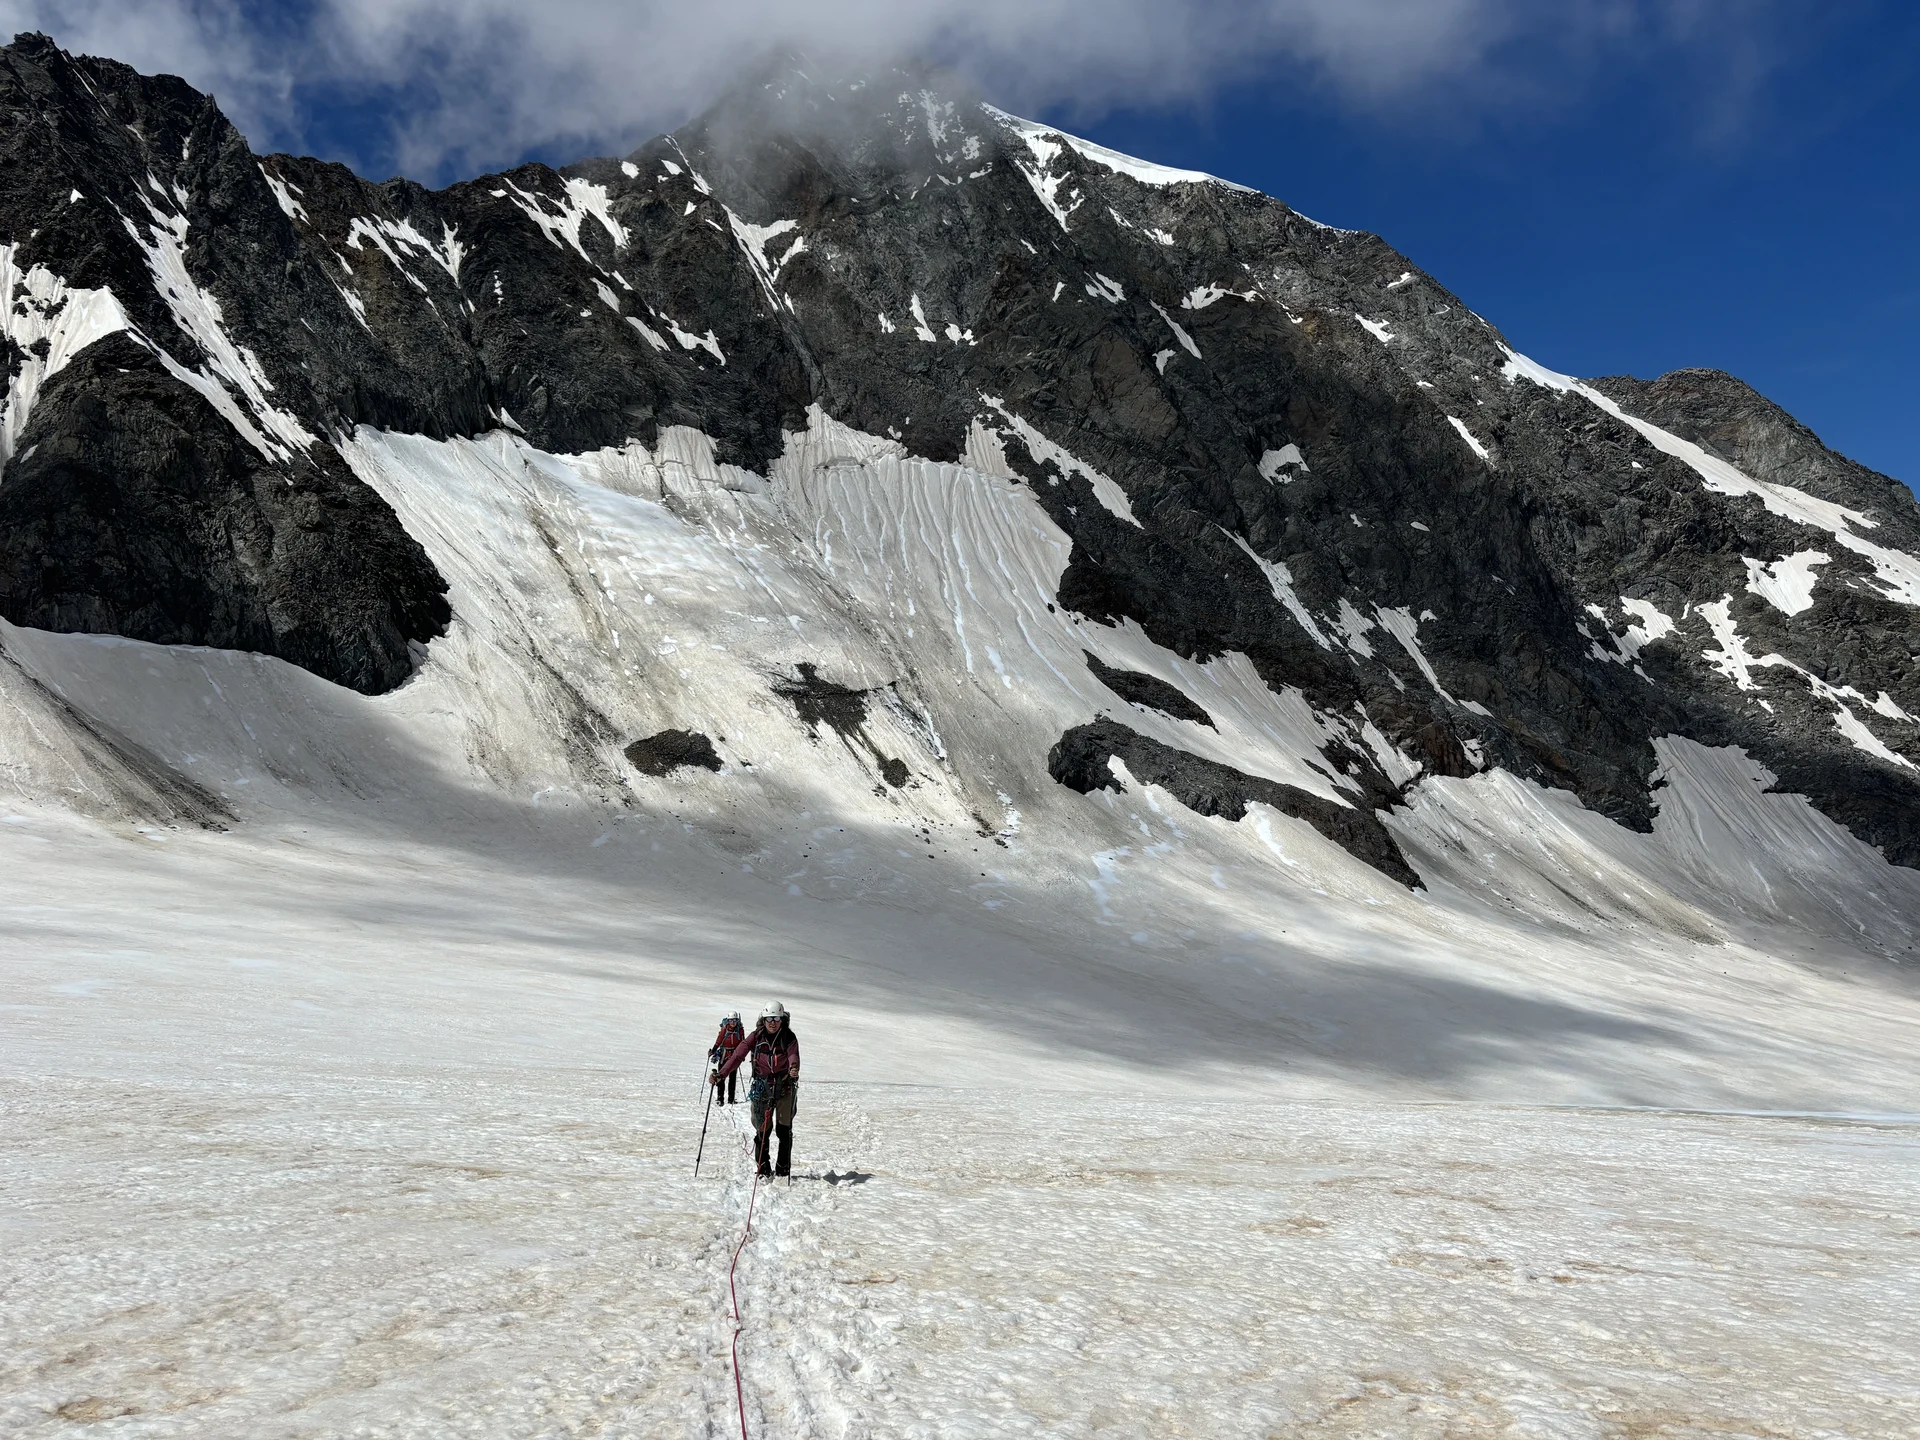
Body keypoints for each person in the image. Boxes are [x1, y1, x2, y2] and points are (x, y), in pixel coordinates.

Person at [714, 1001, 800, 1177]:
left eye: (776, 1018)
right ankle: (763, 1168)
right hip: (762, 1088)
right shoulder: (756, 1036)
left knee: (784, 1131)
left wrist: (794, 1067)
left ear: (782, 1019)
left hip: (785, 1087)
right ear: (764, 1019)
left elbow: (793, 1055)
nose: (773, 1022)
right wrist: (722, 1074)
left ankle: (783, 1170)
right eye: (769, 1019)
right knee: (762, 1131)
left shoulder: (789, 1037)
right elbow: (738, 1055)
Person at [709, 1010, 746, 1106]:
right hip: (724, 1055)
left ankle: (731, 1099)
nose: (733, 1022)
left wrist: (742, 1054)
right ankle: (720, 1098)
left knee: (732, 1078)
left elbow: (743, 1043)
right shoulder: (725, 1029)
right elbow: (719, 1041)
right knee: (721, 1077)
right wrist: (713, 1050)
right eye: (731, 1020)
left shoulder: (740, 1030)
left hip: (734, 1056)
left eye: (734, 1020)